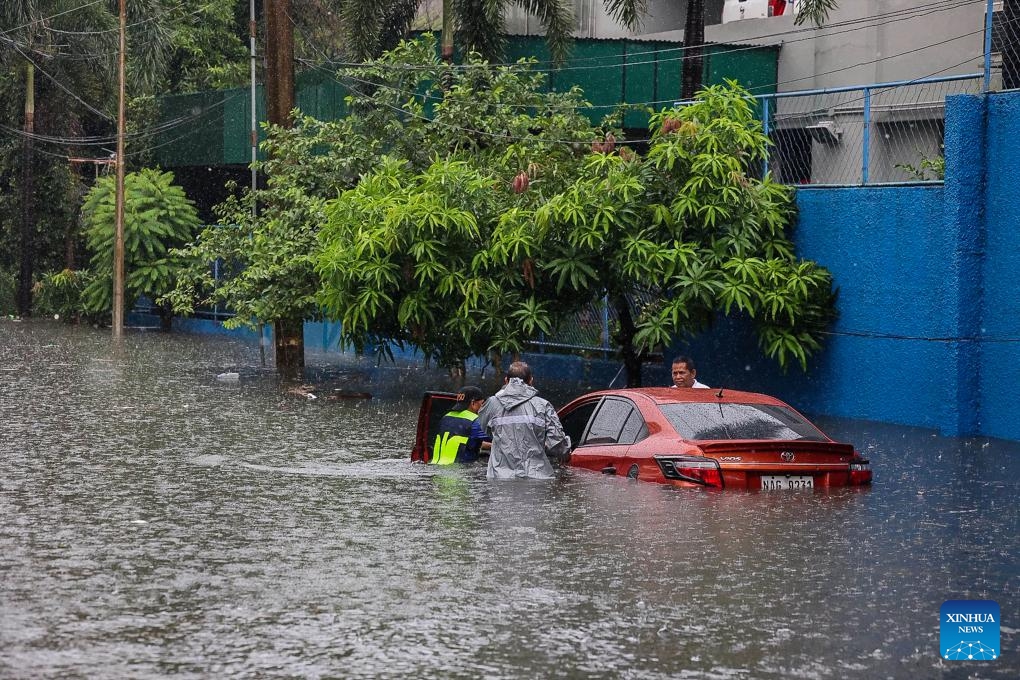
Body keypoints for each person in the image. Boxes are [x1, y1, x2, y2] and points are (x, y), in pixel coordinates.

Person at [476, 361, 571, 479]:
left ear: (506, 381)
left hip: (499, 478)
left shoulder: (491, 403)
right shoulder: (543, 405)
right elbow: (558, 444)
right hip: (537, 477)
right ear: (531, 380)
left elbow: (485, 430)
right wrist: (566, 453)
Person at [430, 386, 491, 465]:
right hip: (458, 474)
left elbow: (465, 441)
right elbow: (501, 439)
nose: (484, 407)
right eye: (482, 403)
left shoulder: (445, 418)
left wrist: (489, 446)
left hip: (436, 469)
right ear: (473, 403)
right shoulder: (475, 421)